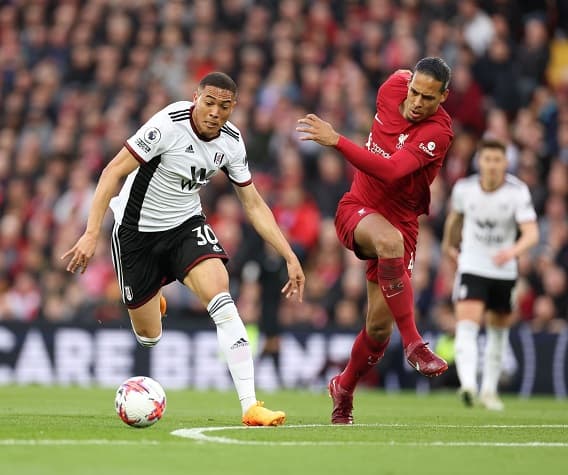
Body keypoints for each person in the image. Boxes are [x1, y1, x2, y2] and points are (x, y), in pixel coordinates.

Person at [61, 72, 305, 426]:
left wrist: (289, 254)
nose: (215, 112)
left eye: (224, 106)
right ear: (195, 98)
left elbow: (253, 204)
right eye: (208, 102)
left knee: (221, 298)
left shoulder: (232, 143)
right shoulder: (168, 124)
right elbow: (113, 172)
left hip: (184, 227)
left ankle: (251, 407)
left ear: (233, 108)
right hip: (135, 233)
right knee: (149, 337)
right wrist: (90, 232)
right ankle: (154, 298)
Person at [296, 57, 454, 424]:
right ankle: (415, 344)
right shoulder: (391, 86)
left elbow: (392, 169)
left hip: (402, 223)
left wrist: (336, 140)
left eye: (428, 98)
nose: (416, 102)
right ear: (409, 82)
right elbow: (378, 178)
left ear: (443, 97)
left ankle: (344, 388)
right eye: (414, 92)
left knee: (378, 331)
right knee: (389, 241)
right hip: (358, 208)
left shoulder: (439, 133)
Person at [441, 138, 538, 410]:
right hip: (473, 265)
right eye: (487, 159)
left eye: (498, 160)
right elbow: (455, 219)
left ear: (506, 163)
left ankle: (489, 391)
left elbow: (532, 233)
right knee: (467, 325)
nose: (492, 165)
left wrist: (513, 251)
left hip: (503, 270)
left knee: (497, 332)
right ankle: (469, 385)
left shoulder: (517, 192)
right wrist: (449, 245)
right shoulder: (465, 189)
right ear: (479, 162)